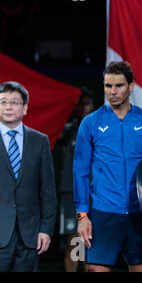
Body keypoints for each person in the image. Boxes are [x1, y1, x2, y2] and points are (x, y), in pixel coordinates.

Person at [0, 81, 57, 272]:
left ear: (25, 108)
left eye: (14, 102)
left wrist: (46, 229)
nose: (8, 106)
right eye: (3, 102)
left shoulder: (40, 141)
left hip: (30, 236)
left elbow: (48, 191)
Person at [74, 61, 142, 272]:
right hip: (103, 213)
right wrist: (82, 215)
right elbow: (80, 172)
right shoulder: (90, 123)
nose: (113, 91)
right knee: (95, 269)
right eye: (108, 86)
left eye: (119, 85)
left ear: (131, 86)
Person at [58, 87, 93, 272]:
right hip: (70, 192)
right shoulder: (69, 129)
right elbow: (52, 130)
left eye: (89, 103)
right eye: (83, 104)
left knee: (88, 242)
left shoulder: (96, 129)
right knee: (73, 241)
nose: (87, 107)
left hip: (91, 194)